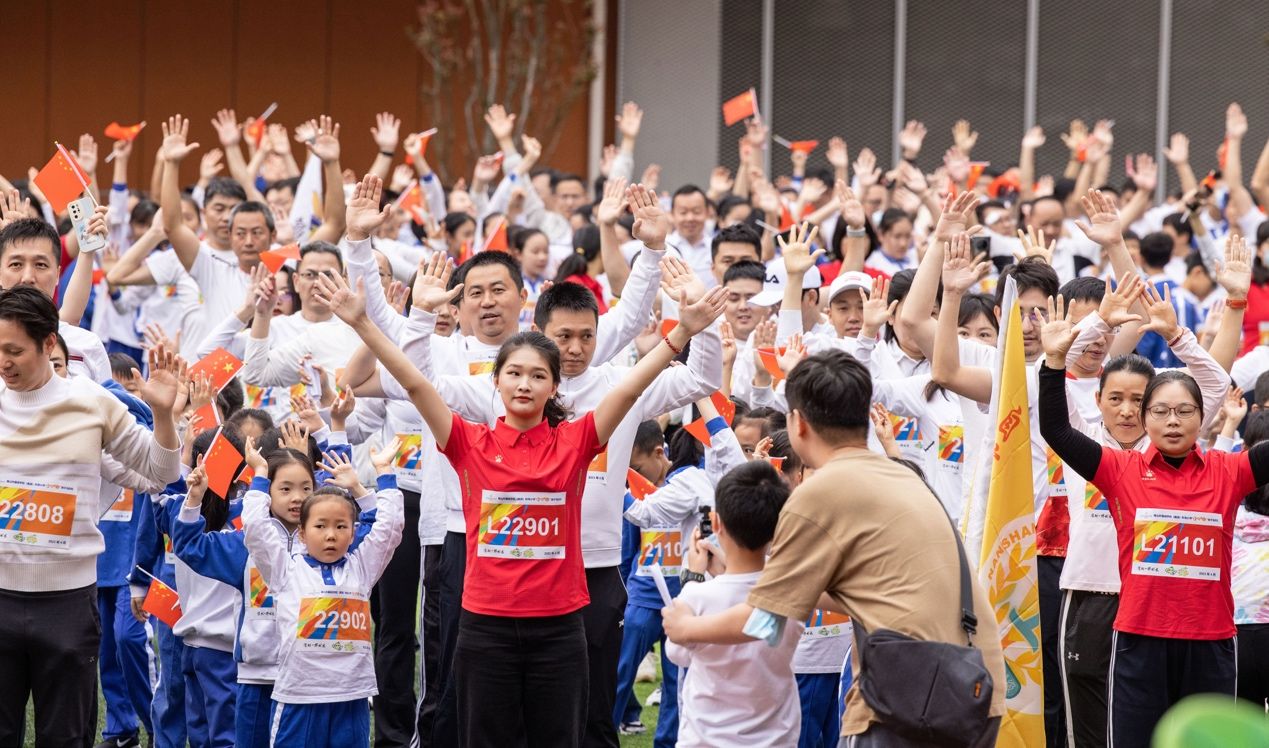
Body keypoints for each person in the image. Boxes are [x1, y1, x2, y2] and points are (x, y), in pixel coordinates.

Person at [314, 259, 726, 746]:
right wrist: (363, 321)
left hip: (559, 633)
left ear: (555, 387)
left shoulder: (575, 442)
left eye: (537, 375)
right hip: (485, 629)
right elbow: (416, 383)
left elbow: (632, 385)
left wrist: (684, 332)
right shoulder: (468, 442)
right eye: (514, 373)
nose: (525, 384)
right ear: (497, 382)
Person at [662, 350, 1006, 747]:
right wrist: (760, 578)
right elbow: (872, 591)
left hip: (912, 697)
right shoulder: (898, 475)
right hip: (972, 685)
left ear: (797, 423)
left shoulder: (819, 491)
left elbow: (765, 622)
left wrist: (687, 627)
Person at [1036, 293, 1269, 747]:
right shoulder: (1118, 470)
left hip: (1212, 646)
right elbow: (1057, 429)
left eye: (1185, 411)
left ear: (1203, 417)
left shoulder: (1231, 470)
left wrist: (1177, 336)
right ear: (1145, 419)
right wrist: (1052, 362)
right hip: (1138, 644)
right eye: (1160, 411)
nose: (1173, 421)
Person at [0, 285, 182, 747]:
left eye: (13, 351)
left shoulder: (92, 402)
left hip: (67, 605)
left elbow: (160, 473)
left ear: (48, 344)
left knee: (66, 736)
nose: (3, 362)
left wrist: (162, 416)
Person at [240, 435, 404, 748]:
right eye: (320, 526)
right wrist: (260, 476)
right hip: (299, 698)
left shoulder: (361, 568)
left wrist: (382, 477)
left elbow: (390, 529)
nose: (331, 535)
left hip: (352, 698)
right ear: (302, 533)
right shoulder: (285, 570)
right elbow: (256, 528)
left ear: (353, 532)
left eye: (341, 527)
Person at [665, 461, 801, 747]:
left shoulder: (697, 596)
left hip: (707, 738)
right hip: (776, 737)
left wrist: (692, 578)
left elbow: (677, 652)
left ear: (716, 524)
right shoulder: (793, 591)